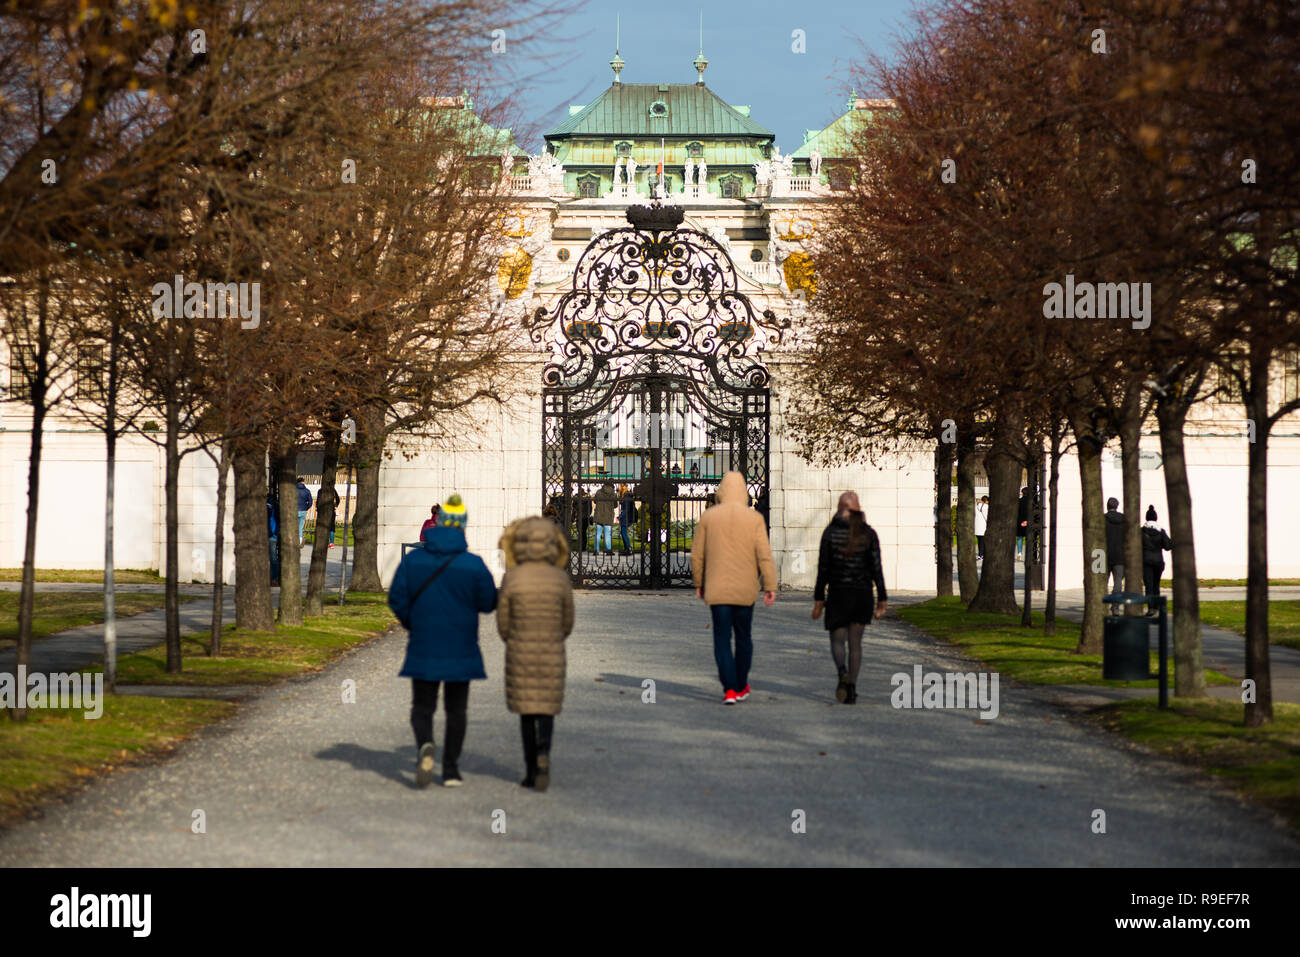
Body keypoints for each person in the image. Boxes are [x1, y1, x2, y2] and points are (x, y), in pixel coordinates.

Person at [387, 493, 497, 788]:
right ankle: (450, 769)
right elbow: (489, 603)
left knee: (422, 706)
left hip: (424, 641)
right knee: (456, 710)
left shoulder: (415, 561)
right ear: (462, 528)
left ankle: (425, 744)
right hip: (461, 645)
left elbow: (396, 598)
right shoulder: (473, 564)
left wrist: (413, 623)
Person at [497, 516, 575, 791]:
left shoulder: (513, 577)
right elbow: (567, 622)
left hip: (520, 651)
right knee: (546, 710)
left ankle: (531, 769)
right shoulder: (560, 578)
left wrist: (514, 639)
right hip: (552, 651)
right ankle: (544, 755)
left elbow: (503, 622)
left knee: (527, 712)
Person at [690, 470, 778, 705]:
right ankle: (741, 684)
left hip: (717, 590)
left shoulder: (709, 517)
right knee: (743, 637)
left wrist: (698, 582)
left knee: (721, 638)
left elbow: (697, 555)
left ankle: (729, 688)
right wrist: (769, 585)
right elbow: (764, 555)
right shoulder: (754, 519)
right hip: (745, 590)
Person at [812, 491, 888, 704]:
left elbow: (823, 569)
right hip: (862, 594)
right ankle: (852, 687)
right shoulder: (868, 533)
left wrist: (819, 598)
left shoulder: (830, 533)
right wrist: (882, 597)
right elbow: (876, 568)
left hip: (838, 593)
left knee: (837, 640)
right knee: (855, 643)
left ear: (839, 508)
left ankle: (842, 672)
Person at [1141, 505, 1174, 614]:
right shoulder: (1161, 531)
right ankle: (1157, 605)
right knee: (1156, 584)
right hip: (1158, 561)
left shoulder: (1141, 531)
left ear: (1146, 518)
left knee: (1148, 585)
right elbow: (1168, 546)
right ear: (1156, 518)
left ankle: (1151, 607)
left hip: (1146, 561)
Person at [1104, 497, 1125, 593]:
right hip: (1119, 555)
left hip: (1101, 555)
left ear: (1107, 506)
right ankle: (1115, 605)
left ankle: (1100, 604)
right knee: (1118, 581)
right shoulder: (1124, 519)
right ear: (1117, 506)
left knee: (1100, 581)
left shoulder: (1102, 519)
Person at [593, 481, 618, 553]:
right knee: (607, 534)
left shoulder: (598, 492)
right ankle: (608, 549)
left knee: (598, 534)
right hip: (608, 515)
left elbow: (595, 501)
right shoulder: (613, 494)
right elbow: (615, 505)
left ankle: (596, 550)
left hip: (599, 514)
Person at [617, 484, 636, 553]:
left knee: (624, 532)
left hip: (626, 516)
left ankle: (628, 547)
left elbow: (626, 508)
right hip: (625, 516)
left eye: (622, 486)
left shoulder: (627, 495)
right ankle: (626, 548)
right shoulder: (624, 495)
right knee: (623, 532)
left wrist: (620, 516)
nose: (620, 488)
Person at [1015, 486, 1030, 562]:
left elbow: (1017, 513)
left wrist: (1021, 521)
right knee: (1029, 539)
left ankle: (1019, 553)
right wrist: (1027, 521)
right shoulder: (1032, 502)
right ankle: (1029, 553)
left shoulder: (1019, 501)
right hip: (1029, 522)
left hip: (1020, 522)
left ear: (1022, 493)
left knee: (1020, 538)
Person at [296, 477, 313, 544]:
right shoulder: (307, 491)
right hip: (303, 510)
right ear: (303, 482)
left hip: (294, 510)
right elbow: (310, 502)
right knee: (300, 527)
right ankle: (299, 541)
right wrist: (306, 508)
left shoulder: (294, 490)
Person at [974, 495, 989, 561]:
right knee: (983, 542)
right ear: (986, 501)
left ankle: (980, 555)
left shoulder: (976, 506)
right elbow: (986, 517)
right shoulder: (985, 507)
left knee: (980, 542)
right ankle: (982, 555)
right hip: (983, 527)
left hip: (977, 527)